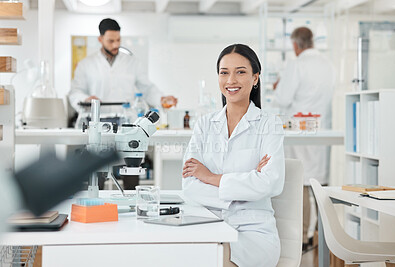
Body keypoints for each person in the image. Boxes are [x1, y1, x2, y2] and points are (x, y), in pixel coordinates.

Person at [182, 44, 285, 267]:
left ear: (255, 78)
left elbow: (271, 183)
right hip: (208, 224)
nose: (231, 80)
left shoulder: (270, 125)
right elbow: (189, 185)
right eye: (224, 73)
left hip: (253, 231)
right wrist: (248, 183)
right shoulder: (204, 125)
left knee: (217, 259)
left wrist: (211, 177)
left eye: (240, 72)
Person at [273, 27, 336, 250]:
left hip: (300, 129)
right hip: (322, 129)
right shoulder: (328, 65)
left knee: (300, 183)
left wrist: (277, 86)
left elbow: (282, 97)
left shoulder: (296, 64)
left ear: (295, 45)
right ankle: (324, 237)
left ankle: (301, 238)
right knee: (320, 182)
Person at [68, 18, 177, 114]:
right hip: (98, 121)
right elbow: (75, 92)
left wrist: (161, 99)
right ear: (100, 39)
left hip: (127, 121)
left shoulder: (132, 62)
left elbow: (146, 88)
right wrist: (86, 99)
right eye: (111, 41)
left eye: (118, 40)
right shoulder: (86, 64)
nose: (116, 45)